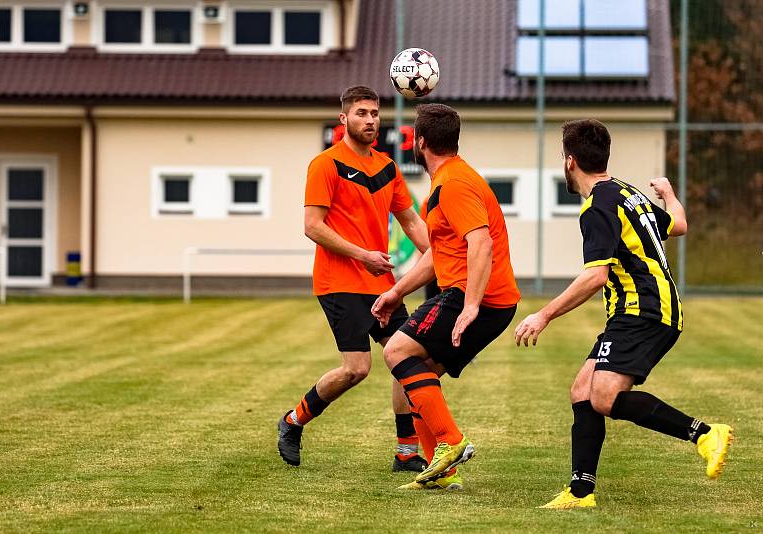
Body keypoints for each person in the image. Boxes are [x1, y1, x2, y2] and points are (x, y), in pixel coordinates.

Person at [514, 119, 733, 509]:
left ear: (569, 162)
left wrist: (543, 315)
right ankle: (580, 492)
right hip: (646, 309)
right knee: (582, 390)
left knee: (603, 396)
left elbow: (595, 276)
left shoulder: (597, 207)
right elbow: (679, 224)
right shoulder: (627, 193)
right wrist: (668, 194)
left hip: (643, 310)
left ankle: (704, 434)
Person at [277, 86, 430, 472]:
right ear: (344, 119)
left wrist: (444, 255)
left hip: (381, 284)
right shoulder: (325, 165)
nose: (370, 120)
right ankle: (293, 421)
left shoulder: (387, 168)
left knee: (406, 355)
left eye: (375, 113)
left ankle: (407, 452)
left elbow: (411, 221)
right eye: (362, 113)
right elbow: (312, 226)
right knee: (357, 369)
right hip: (338, 282)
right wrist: (363, 255)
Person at [372, 103, 520, 490]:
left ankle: (451, 442)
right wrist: (396, 291)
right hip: (486, 298)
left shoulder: (453, 185)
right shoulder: (450, 180)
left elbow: (481, 243)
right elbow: (439, 253)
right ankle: (440, 473)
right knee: (420, 378)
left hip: (477, 298)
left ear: (419, 143)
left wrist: (470, 306)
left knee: (397, 353)